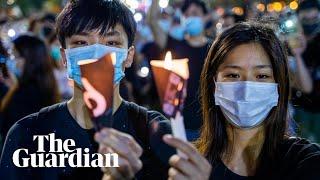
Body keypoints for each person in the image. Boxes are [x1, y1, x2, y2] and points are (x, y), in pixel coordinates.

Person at [0, 0, 174, 179]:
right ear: (64, 57)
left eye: (112, 42)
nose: (96, 53)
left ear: (129, 57)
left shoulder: (154, 133)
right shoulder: (28, 134)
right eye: (81, 42)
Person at [163, 22, 320, 179]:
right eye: (232, 75)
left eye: (262, 76)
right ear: (213, 85)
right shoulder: (191, 166)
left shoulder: (305, 161)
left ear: (279, 86)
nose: (246, 90)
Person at [148, 0, 211, 140]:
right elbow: (153, 21)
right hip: (177, 122)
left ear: (206, 17)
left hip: (207, 124)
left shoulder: (214, 49)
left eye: (195, 14)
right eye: (186, 15)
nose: (190, 18)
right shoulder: (174, 44)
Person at [0, 35, 60, 141]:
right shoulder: (45, 85)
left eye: (16, 56)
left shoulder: (25, 94)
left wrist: (12, 91)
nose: (12, 61)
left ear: (29, 59)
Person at [292, 0, 320, 142]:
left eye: (314, 18)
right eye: (306, 19)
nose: (310, 23)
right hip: (299, 110)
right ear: (298, 18)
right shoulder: (291, 43)